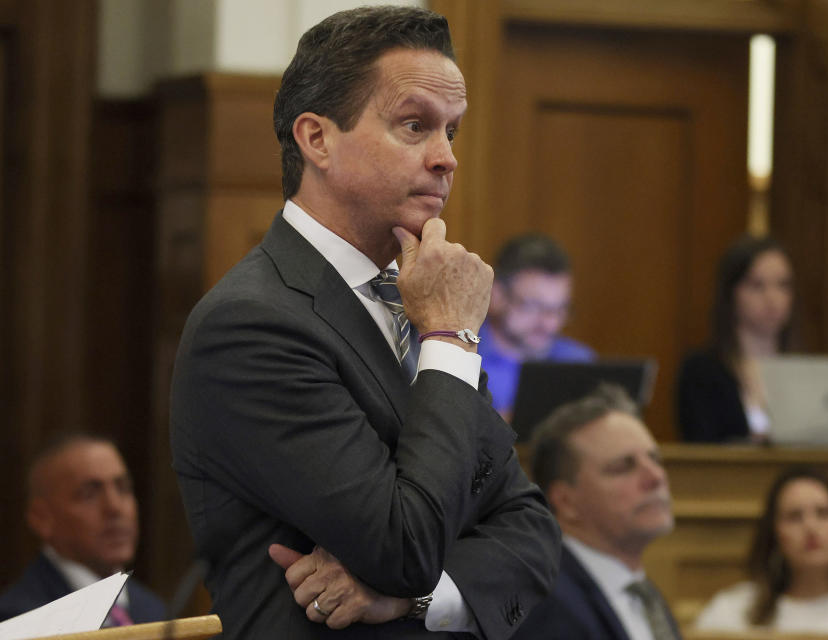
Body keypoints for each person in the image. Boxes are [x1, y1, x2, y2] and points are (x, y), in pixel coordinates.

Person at [169, 6, 560, 640]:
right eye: (414, 126)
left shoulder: (417, 297)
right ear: (316, 138)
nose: (445, 159)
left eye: (452, 132)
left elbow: (530, 526)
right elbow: (403, 546)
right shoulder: (249, 325)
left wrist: (409, 600)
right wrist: (451, 338)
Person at [512, 384, 680, 640]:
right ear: (566, 502)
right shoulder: (542, 605)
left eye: (655, 459)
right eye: (623, 467)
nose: (656, 477)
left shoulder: (644, 594)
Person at [695, 466, 828, 635]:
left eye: (823, 513)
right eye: (795, 516)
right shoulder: (731, 612)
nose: (811, 528)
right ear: (774, 533)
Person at [0, 433, 166, 625]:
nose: (114, 507)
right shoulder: (19, 620)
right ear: (42, 518)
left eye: (123, 488)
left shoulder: (154, 610)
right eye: (89, 494)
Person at [676, 234, 794, 443]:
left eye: (783, 285)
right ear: (731, 292)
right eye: (757, 285)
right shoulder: (702, 371)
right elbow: (701, 447)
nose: (772, 298)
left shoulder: (803, 369)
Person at [478, 233, 594, 417]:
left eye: (558, 309)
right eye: (533, 306)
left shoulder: (577, 361)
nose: (549, 323)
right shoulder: (461, 353)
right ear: (497, 295)